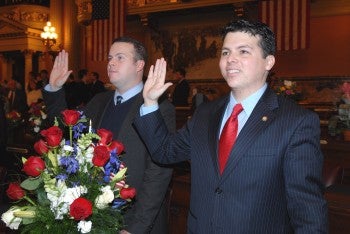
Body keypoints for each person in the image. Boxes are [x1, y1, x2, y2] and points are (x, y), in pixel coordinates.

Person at [133, 20, 328, 233]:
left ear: (268, 61)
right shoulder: (205, 114)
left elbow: (307, 211)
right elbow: (165, 152)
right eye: (225, 53)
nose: (231, 60)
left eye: (243, 51)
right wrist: (150, 103)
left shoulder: (296, 122)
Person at [43, 36, 175, 234]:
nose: (111, 62)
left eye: (120, 57)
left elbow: (158, 174)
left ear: (139, 65)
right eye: (110, 57)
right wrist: (54, 89)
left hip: (133, 218)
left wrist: (135, 228)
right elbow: (68, 135)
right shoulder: (99, 101)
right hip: (94, 216)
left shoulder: (158, 107)